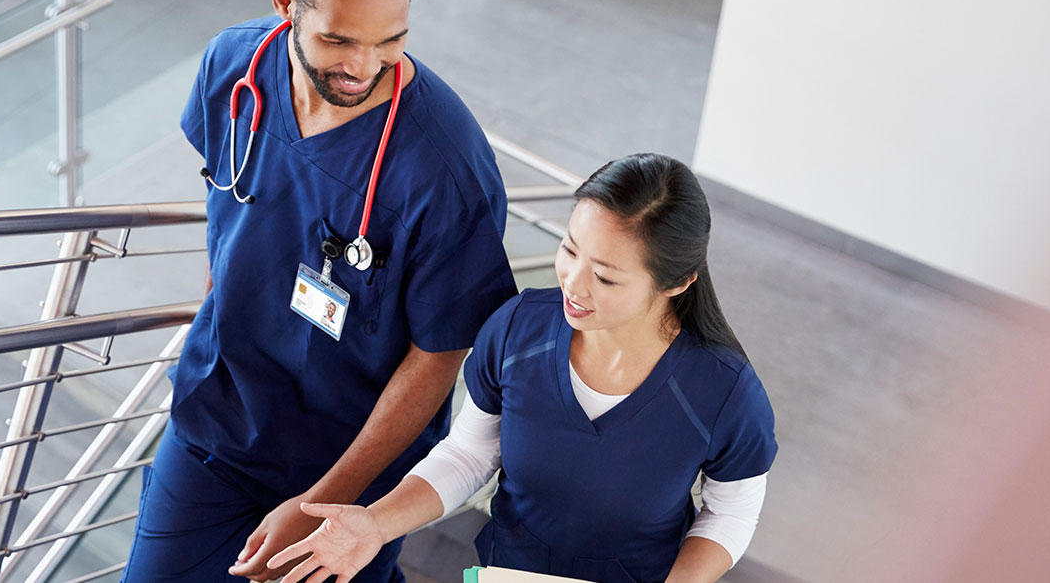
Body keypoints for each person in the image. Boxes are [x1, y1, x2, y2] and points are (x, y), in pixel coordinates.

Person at [120, 0, 518, 583]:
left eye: (390, 40)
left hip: (351, 469)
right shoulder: (233, 70)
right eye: (338, 39)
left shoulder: (444, 169)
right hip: (217, 421)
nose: (363, 67)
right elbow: (227, 209)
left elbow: (438, 356)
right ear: (285, 2)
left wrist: (320, 503)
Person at [266, 154, 778, 583]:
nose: (573, 285)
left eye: (605, 277)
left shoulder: (724, 394)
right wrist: (376, 525)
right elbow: (470, 454)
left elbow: (730, 513)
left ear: (676, 283)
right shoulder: (517, 330)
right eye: (569, 249)